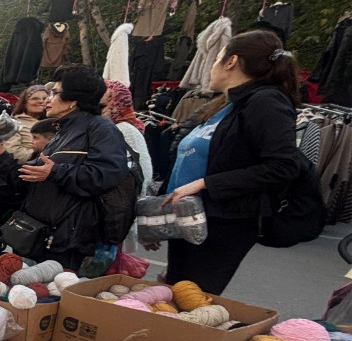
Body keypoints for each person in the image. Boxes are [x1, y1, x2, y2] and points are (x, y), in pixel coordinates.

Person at [162, 30, 303, 294]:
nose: (211, 66)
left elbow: (283, 166)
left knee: (191, 302)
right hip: (188, 218)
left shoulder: (266, 102)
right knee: (170, 296)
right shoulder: (226, 104)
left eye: (216, 58)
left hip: (223, 223)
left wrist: (205, 184)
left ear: (231, 61)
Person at [17, 65, 129, 270]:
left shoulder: (100, 128)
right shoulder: (63, 129)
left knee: (56, 295)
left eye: (55, 93)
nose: (48, 99)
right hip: (42, 234)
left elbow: (106, 175)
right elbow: (41, 166)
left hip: (69, 238)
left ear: (72, 101)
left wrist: (55, 172)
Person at [6, 85, 50, 163]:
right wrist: (41, 159)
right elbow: (13, 152)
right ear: (25, 103)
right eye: (35, 98)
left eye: (44, 98)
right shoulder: (13, 123)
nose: (41, 101)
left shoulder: (54, 121)